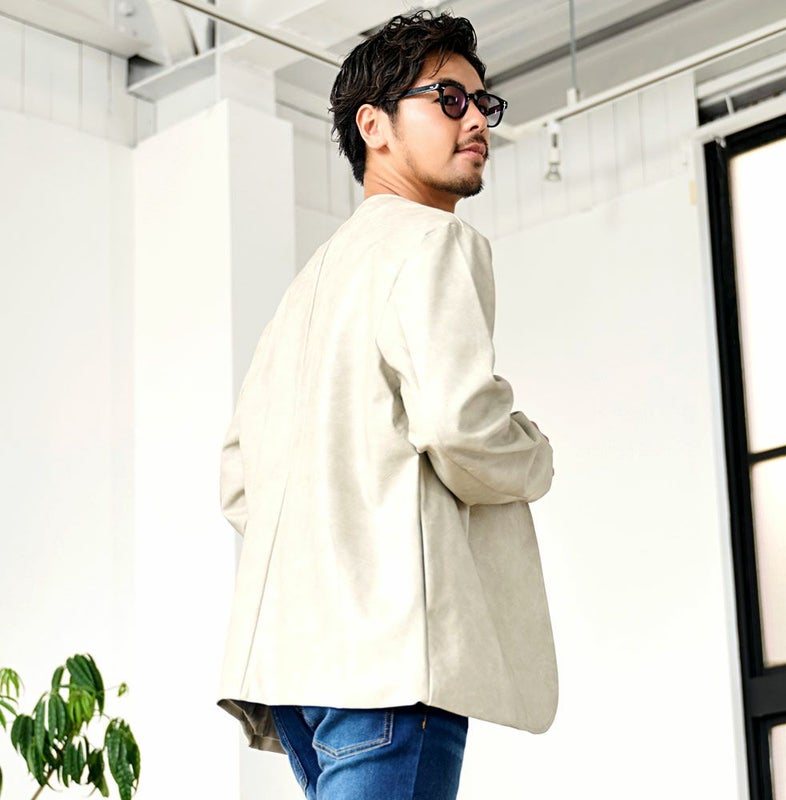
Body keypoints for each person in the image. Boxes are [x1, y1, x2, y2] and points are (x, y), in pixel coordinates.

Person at [217, 9, 557, 800]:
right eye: (449, 99)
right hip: (389, 659)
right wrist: (535, 455)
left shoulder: (306, 289)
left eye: (482, 103)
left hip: (299, 672)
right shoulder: (433, 240)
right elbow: (461, 426)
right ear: (373, 126)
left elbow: (238, 479)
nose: (477, 120)